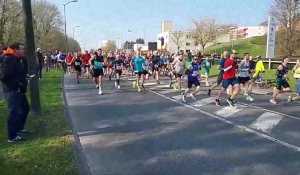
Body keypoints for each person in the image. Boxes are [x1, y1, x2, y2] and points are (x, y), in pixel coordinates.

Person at [0, 42, 30, 142]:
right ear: (16, 50)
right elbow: (4, 76)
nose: (23, 51)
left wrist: (25, 77)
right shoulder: (8, 59)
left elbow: (18, 73)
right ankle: (12, 136)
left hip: (20, 90)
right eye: (21, 49)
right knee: (14, 112)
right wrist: (16, 87)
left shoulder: (18, 59)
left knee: (25, 108)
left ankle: (19, 128)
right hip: (12, 91)